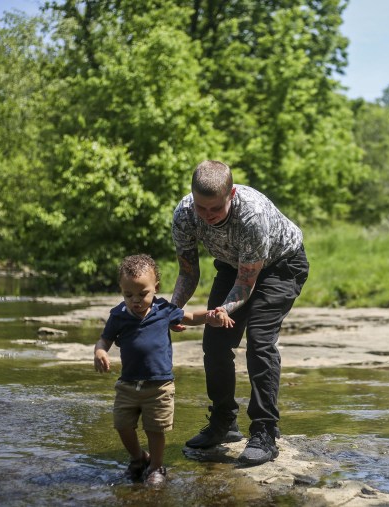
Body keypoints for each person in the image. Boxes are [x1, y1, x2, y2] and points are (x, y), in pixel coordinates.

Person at [171, 160, 309, 466]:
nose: (207, 217)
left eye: (215, 209)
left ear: (231, 193)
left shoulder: (252, 215)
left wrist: (221, 310)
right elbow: (188, 273)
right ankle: (224, 424)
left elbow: (246, 285)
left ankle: (265, 432)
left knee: (259, 341)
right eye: (200, 208)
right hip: (234, 265)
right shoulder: (184, 214)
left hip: (281, 267)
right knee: (215, 343)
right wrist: (173, 308)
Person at [94, 254, 232, 486]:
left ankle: (157, 467)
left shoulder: (163, 309)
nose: (135, 300)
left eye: (142, 294)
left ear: (155, 288)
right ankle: (139, 459)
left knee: (155, 429)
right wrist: (100, 351)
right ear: (121, 290)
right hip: (128, 384)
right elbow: (104, 340)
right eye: (129, 295)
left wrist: (210, 317)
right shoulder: (118, 315)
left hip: (159, 385)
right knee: (122, 425)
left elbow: (189, 317)